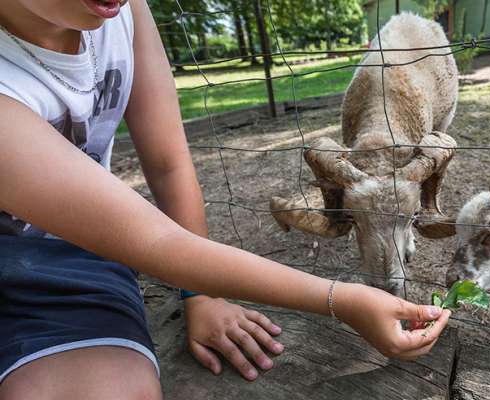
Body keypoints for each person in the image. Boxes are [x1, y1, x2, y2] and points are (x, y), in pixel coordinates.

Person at [0, 0, 451, 398]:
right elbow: (156, 243)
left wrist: (202, 295)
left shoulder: (123, 13)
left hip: (74, 260)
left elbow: (167, 162)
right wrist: (343, 299)